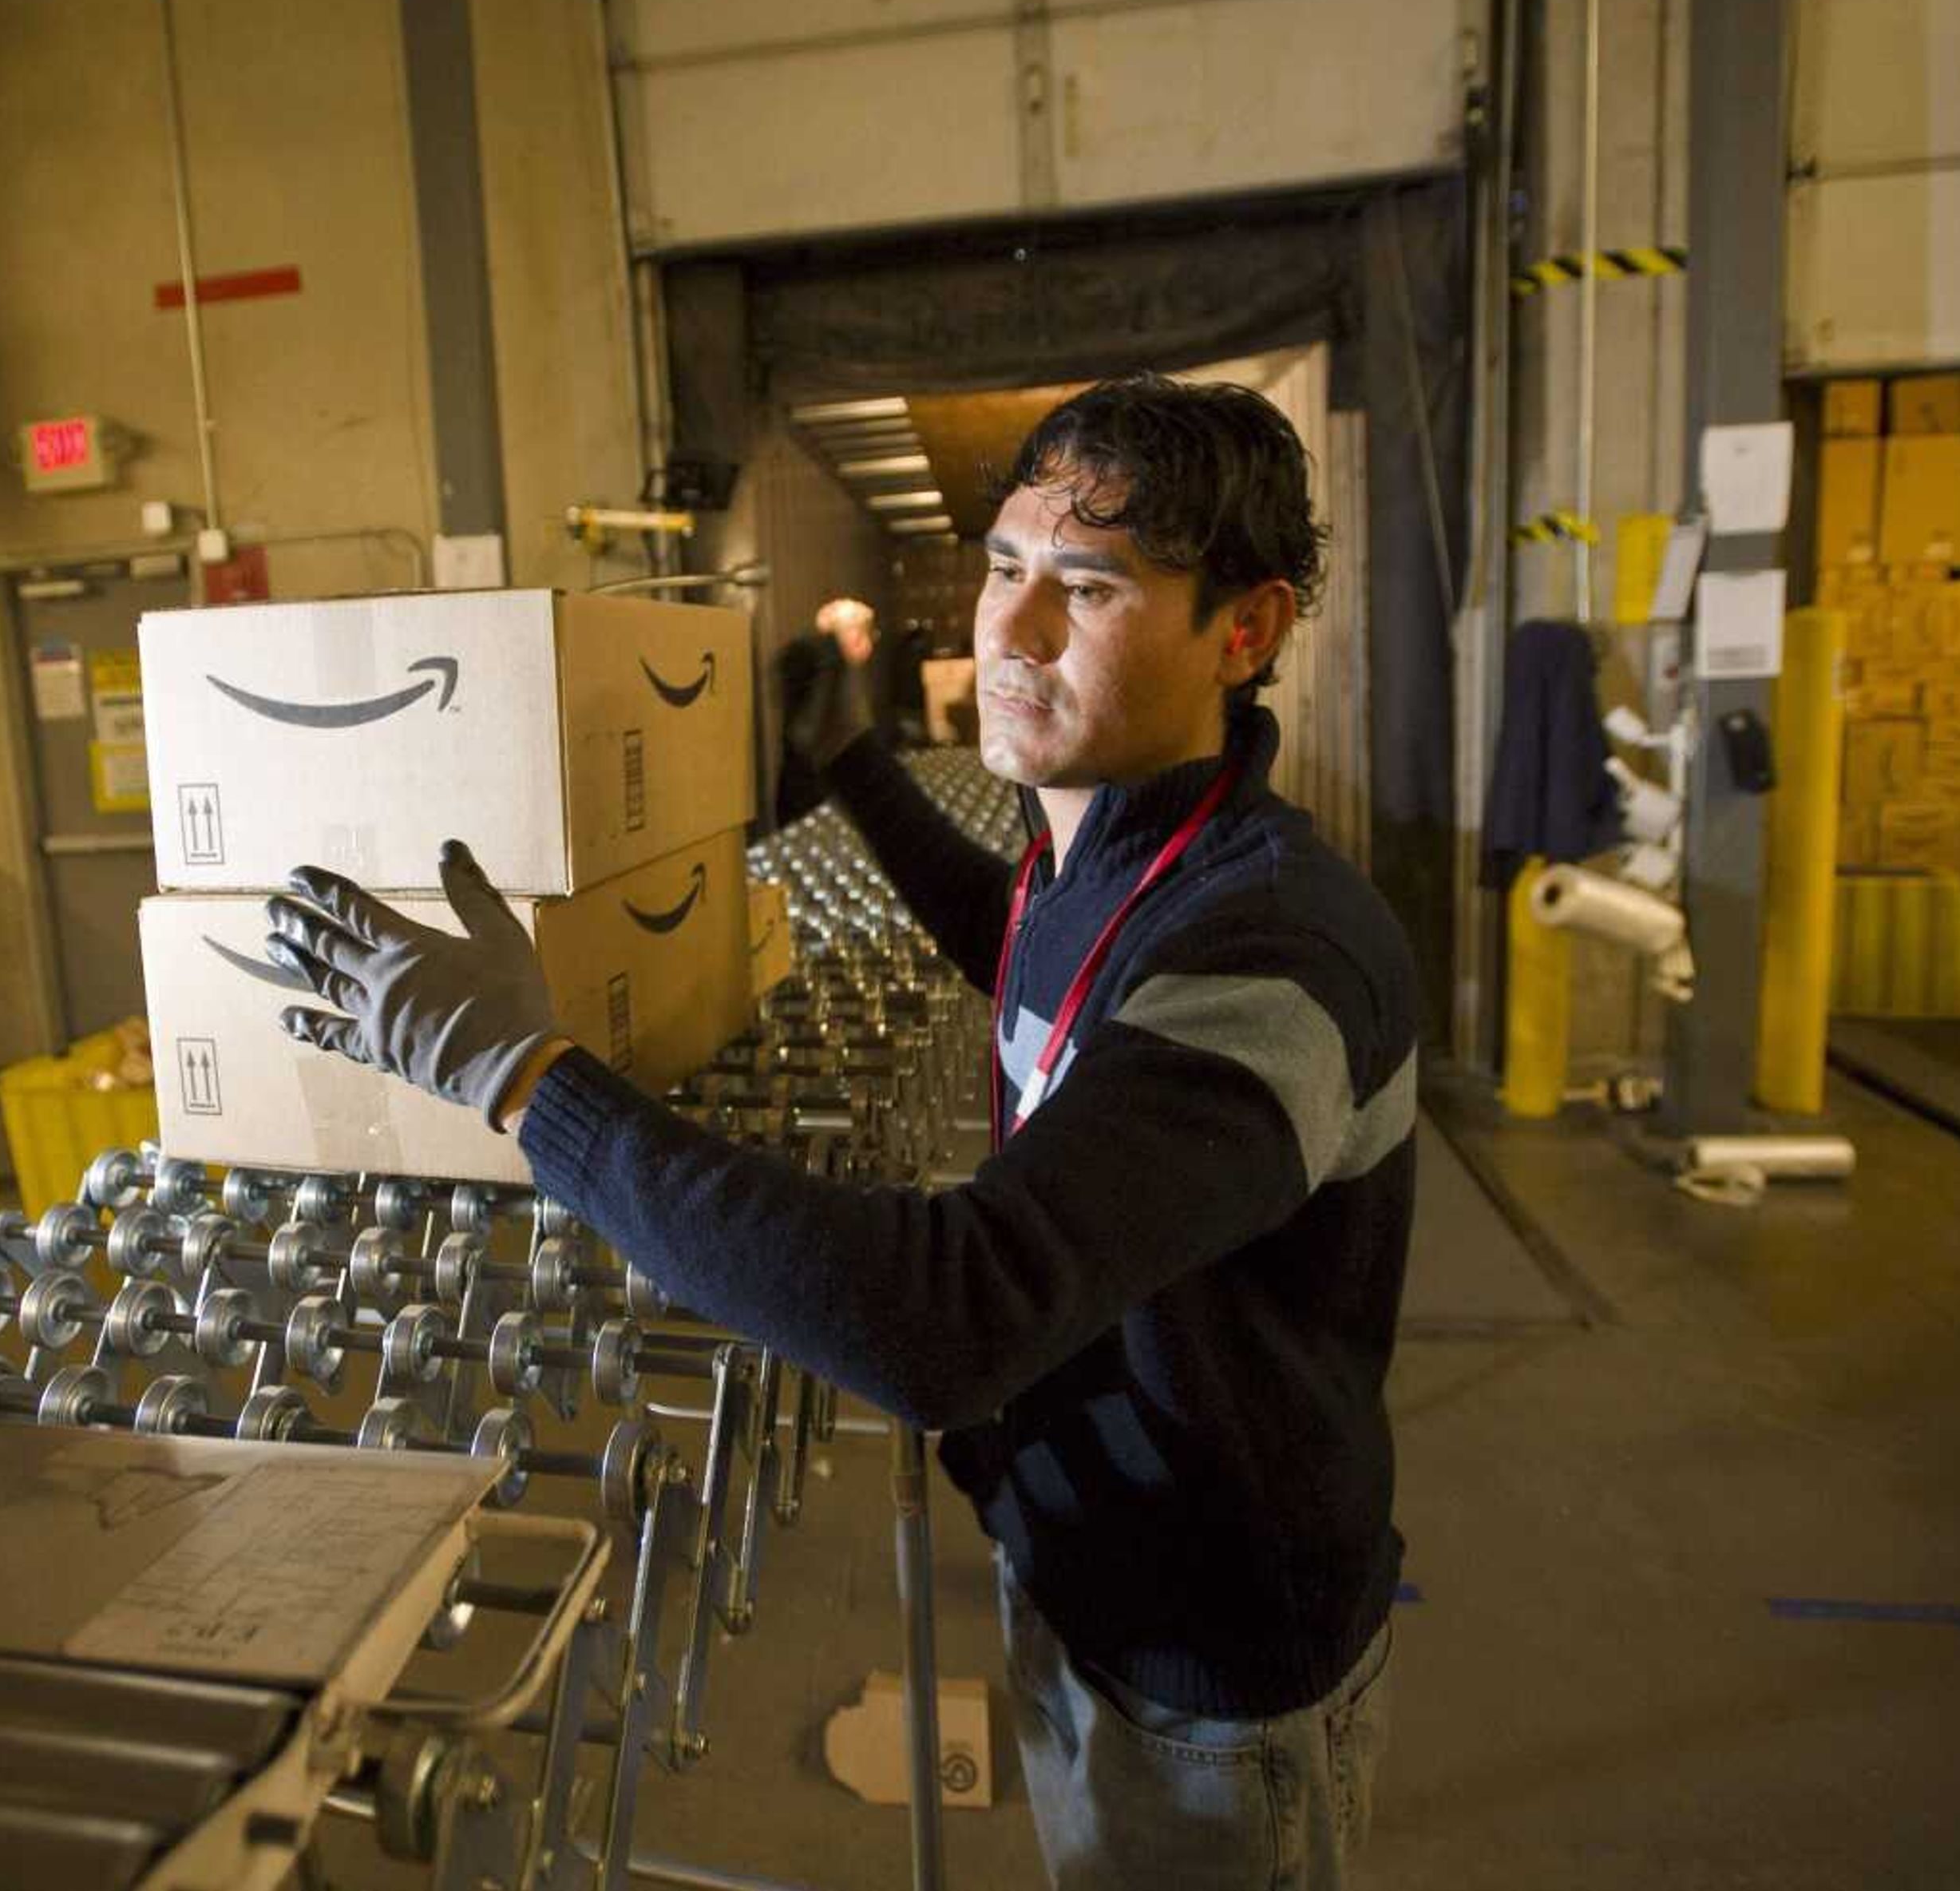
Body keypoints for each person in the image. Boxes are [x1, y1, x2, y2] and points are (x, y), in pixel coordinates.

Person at [263, 373, 1412, 1889]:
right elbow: (1017, 949)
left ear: (1246, 631)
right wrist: (858, 763)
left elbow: (944, 1313)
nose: (1014, 628)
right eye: (1007, 567)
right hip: (1087, 1564)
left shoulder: (1271, 953)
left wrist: (522, 1074)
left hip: (1211, 1654)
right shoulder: (1107, 842)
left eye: (1089, 587)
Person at [770, 596, 878, 826]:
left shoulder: (823, 667)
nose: (869, 641)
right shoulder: (827, 671)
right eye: (865, 632)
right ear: (853, 636)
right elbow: (808, 738)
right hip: (818, 798)